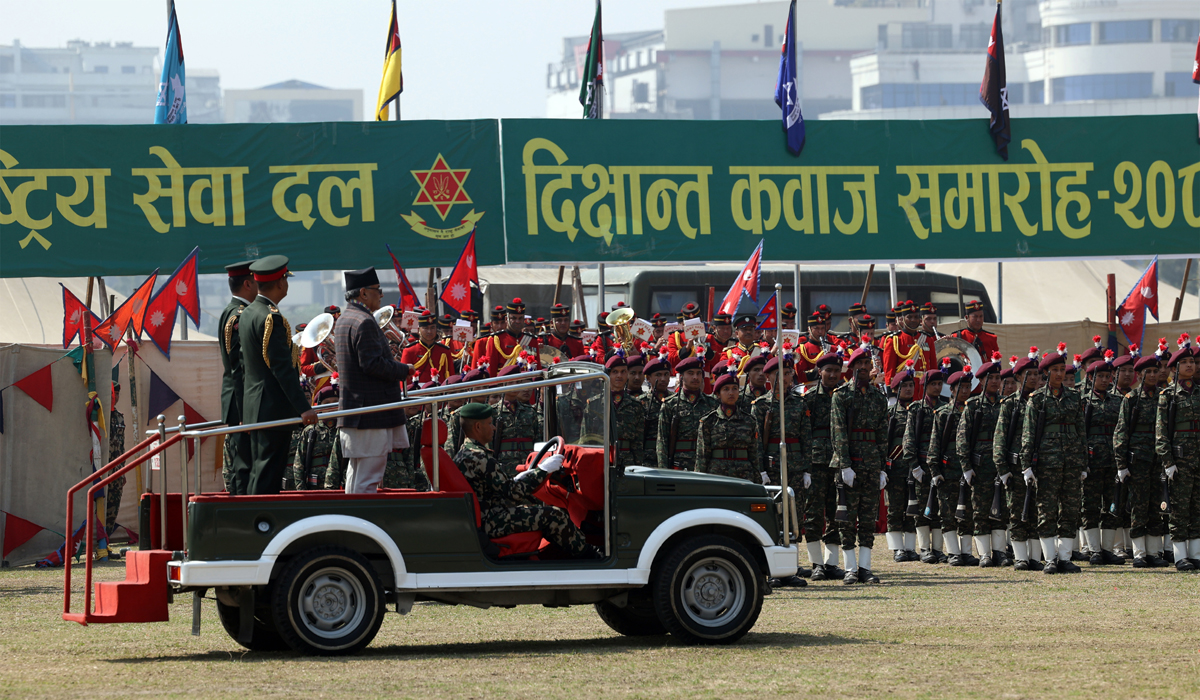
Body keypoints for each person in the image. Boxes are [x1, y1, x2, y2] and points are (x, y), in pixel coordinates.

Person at [453, 402, 600, 559]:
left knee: (538, 510)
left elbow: (498, 487)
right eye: (490, 423)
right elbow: (514, 493)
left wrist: (525, 476)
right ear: (477, 427)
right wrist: (544, 470)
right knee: (554, 515)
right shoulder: (480, 458)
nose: (494, 428)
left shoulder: (465, 453)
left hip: (486, 516)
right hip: (491, 520)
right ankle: (591, 556)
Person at [239, 256, 318, 495]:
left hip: (256, 406)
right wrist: (304, 408)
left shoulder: (249, 312)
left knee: (260, 472)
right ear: (281, 283)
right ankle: (261, 525)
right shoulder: (270, 317)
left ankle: (255, 521)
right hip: (272, 407)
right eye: (285, 278)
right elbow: (282, 369)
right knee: (268, 476)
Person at [334, 267, 412, 494]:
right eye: (378, 290)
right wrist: (403, 369)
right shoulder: (364, 321)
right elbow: (371, 364)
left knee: (356, 475)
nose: (381, 295)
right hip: (370, 413)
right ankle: (359, 525)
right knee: (369, 478)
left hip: (357, 412)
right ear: (363, 294)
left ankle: (350, 523)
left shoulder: (345, 318)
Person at [1021, 343, 1087, 574]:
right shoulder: (1037, 399)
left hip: (1071, 461)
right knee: (1047, 510)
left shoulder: (1074, 397)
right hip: (1047, 462)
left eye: (1063, 369)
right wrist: (1026, 465)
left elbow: (1081, 432)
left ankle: (1065, 557)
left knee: (1070, 509)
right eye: (1056, 370)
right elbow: (1028, 434)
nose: (1060, 374)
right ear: (1046, 373)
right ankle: (1049, 558)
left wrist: (1083, 463)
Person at [830, 343, 888, 584]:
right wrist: (844, 465)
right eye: (859, 364)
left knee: (867, 519)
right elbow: (838, 432)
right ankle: (850, 568)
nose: (863, 368)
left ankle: (865, 567)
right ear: (851, 368)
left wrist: (883, 466)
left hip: (872, 463)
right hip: (850, 462)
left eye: (866, 364)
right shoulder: (841, 395)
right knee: (846, 519)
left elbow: (883, 433)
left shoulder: (877, 397)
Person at [752, 353, 810, 588]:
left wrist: (807, 469)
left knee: (794, 517)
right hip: (773, 466)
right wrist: (762, 470)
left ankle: (791, 568)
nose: (785, 378)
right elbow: (756, 441)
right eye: (779, 374)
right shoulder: (761, 405)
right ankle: (774, 570)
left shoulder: (799, 403)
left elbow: (805, 438)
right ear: (768, 377)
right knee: (775, 519)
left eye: (787, 373)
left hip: (795, 466)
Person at [1114, 352, 1170, 567]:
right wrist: (1121, 464)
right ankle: (1139, 553)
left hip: (1158, 458)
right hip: (1138, 459)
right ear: (1140, 375)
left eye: (1157, 371)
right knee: (1138, 504)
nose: (1154, 375)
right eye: (1149, 372)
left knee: (1157, 504)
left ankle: (1154, 553)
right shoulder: (1132, 399)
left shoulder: (1164, 396)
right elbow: (1121, 432)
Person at [957, 353, 1010, 568]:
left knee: (1002, 508)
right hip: (981, 465)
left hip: (1002, 463)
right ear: (981, 381)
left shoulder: (1006, 404)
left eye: (998, 377)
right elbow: (962, 439)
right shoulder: (972, 406)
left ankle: (1000, 552)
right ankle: (985, 553)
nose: (996, 381)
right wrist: (966, 467)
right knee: (980, 509)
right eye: (991, 378)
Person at [993, 349, 1043, 570]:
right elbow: (1000, 439)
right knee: (1017, 513)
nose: (1034, 378)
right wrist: (1003, 469)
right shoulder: (1010, 404)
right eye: (1029, 374)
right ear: (1019, 377)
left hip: (1041, 465)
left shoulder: (1043, 400)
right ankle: (1021, 557)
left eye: (1036, 374)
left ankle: (1035, 557)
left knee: (1037, 511)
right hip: (1015, 468)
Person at [1155, 334, 1200, 570]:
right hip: (1180, 459)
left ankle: (1196, 553)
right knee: (1180, 508)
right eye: (1184, 363)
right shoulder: (1168, 395)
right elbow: (1161, 433)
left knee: (1197, 506)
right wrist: (1168, 460)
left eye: (1192, 362)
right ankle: (1180, 555)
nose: (1190, 366)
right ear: (1174, 368)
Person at [803, 350, 846, 581]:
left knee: (836, 512)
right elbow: (803, 432)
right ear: (819, 372)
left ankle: (831, 563)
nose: (832, 375)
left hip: (840, 460)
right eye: (828, 370)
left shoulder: (845, 396)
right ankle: (816, 563)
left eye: (836, 371)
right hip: (816, 461)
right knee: (813, 513)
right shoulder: (809, 397)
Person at [1082, 353, 1126, 565]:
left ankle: (1107, 549)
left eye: (1108, 376)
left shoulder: (1118, 401)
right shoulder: (1083, 402)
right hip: (1092, 460)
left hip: (1112, 460)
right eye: (1100, 376)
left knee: (1112, 505)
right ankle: (1094, 550)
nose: (1105, 380)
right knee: (1089, 505)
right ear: (1090, 378)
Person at [219, 259, 258, 494]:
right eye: (258, 281)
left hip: (238, 400)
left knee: (244, 464)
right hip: (240, 402)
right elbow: (239, 368)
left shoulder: (232, 312)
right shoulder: (239, 316)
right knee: (245, 466)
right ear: (247, 284)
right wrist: (245, 411)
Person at [904, 367, 947, 564]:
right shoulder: (916, 409)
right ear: (925, 386)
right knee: (922, 508)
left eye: (939, 384)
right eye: (933, 384)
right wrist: (914, 466)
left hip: (940, 464)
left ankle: (938, 549)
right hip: (922, 464)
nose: (937, 388)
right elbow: (909, 440)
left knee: (940, 506)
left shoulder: (947, 407)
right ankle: (924, 549)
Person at [696, 370, 762, 482]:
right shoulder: (709, 421)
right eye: (726, 389)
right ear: (718, 394)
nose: (731, 393)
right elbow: (702, 457)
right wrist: (700, 482)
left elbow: (754, 454)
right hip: (717, 476)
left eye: (734, 389)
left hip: (744, 476)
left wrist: (758, 480)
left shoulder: (749, 421)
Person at [883, 362, 919, 562]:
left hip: (914, 467)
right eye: (904, 386)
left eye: (911, 385)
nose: (908, 389)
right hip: (895, 467)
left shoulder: (918, 409)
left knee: (912, 507)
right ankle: (897, 548)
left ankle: (910, 547)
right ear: (895, 389)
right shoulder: (890, 412)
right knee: (896, 508)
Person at [657, 357, 718, 471]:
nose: (695, 377)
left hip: (707, 464)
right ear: (681, 377)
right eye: (690, 373)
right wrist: (663, 470)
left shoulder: (712, 404)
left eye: (698, 373)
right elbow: (662, 441)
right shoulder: (670, 404)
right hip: (679, 464)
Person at [586, 354, 646, 469]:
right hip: (601, 459)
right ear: (608, 375)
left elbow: (638, 442)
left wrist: (637, 466)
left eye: (623, 371)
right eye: (615, 372)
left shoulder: (636, 405)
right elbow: (586, 439)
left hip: (627, 462)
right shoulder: (594, 404)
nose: (619, 375)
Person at [292, 384, 345, 490]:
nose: (331, 407)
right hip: (314, 485)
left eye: (335, 402)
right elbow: (299, 463)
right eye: (326, 403)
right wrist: (301, 489)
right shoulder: (311, 430)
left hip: (341, 485)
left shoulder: (344, 429)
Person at [495, 364, 543, 476]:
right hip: (503, 468)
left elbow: (537, 439)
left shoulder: (530, 411)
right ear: (503, 384)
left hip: (528, 465)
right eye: (511, 383)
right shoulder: (494, 412)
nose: (515, 386)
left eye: (517, 383)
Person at [401, 311, 454, 382]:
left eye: (432, 327)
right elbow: (404, 381)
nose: (429, 331)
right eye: (425, 328)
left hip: (440, 391)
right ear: (418, 330)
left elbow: (451, 377)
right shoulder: (409, 351)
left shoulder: (444, 351)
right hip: (418, 392)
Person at [639, 355, 672, 459]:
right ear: (648, 378)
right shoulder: (641, 402)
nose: (663, 379)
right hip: (648, 456)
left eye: (666, 374)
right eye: (658, 375)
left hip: (671, 456)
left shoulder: (675, 401)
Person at [106, 382, 126, 537]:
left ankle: (105, 541)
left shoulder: (119, 418)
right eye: (114, 394)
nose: (116, 397)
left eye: (118, 394)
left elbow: (122, 447)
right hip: (103, 470)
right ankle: (97, 542)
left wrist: (123, 470)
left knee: (114, 506)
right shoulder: (101, 416)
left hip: (117, 471)